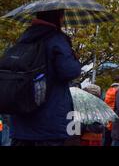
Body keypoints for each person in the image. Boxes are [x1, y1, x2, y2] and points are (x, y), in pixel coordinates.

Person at [9, 10, 81, 146]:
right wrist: (73, 56)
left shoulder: (23, 39)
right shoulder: (57, 39)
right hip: (48, 123)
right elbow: (70, 71)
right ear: (58, 18)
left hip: (21, 124)